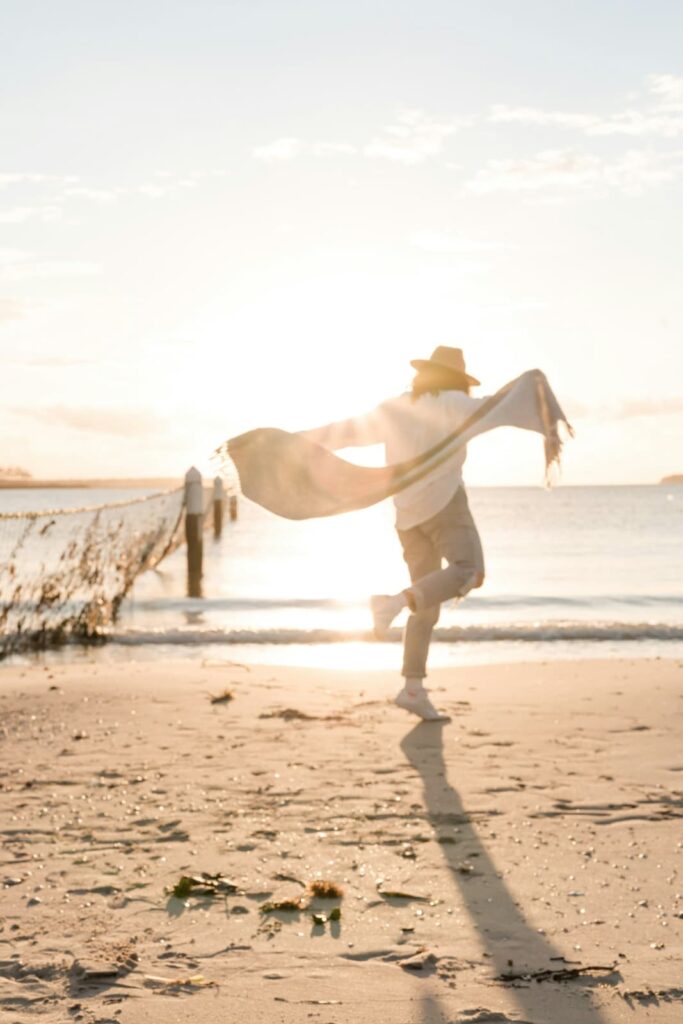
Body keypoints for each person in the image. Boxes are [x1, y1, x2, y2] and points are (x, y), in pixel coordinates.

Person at [299, 346, 487, 722]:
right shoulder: (455, 403)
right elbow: (497, 409)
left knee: (427, 602)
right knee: (469, 571)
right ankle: (392, 602)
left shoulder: (395, 408)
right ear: (456, 380)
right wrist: (537, 396)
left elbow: (347, 432)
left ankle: (412, 689)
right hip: (445, 503)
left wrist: (297, 441)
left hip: (406, 516)